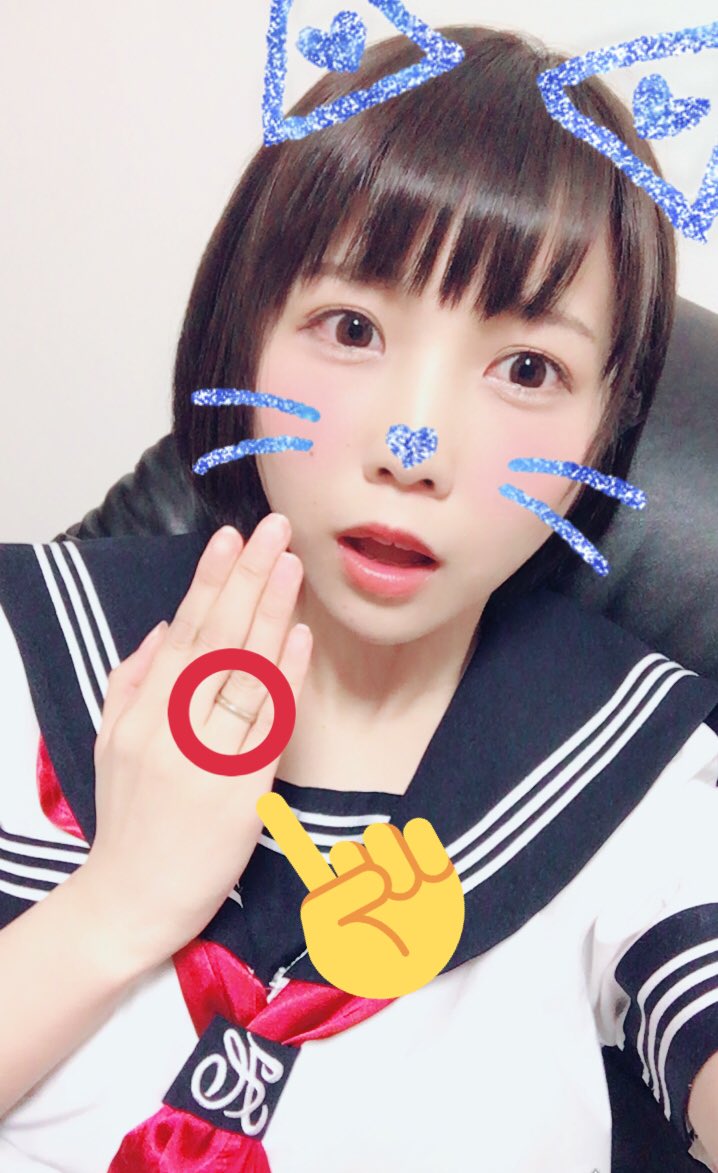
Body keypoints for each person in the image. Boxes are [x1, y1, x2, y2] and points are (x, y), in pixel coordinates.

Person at [0, 23, 717, 1172]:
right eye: (351, 328)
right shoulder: (28, 653)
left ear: (605, 425)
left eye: (527, 369)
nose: (411, 448)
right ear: (243, 332)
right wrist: (118, 904)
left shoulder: (634, 770)